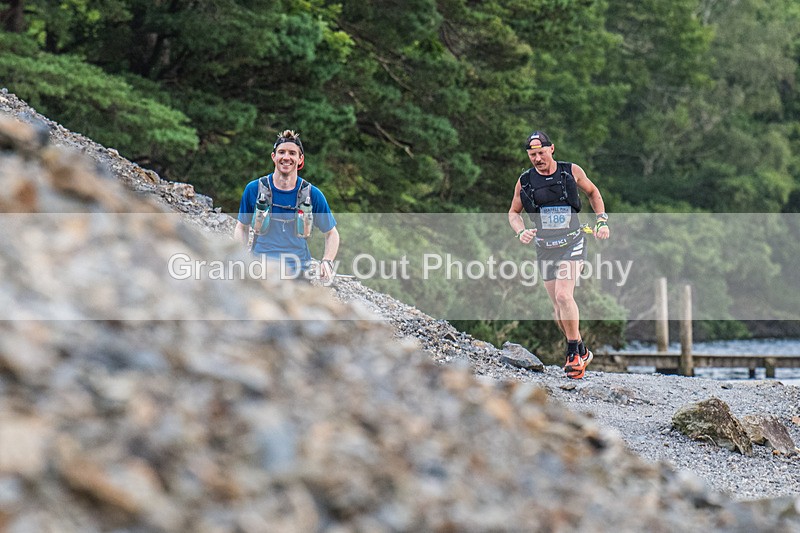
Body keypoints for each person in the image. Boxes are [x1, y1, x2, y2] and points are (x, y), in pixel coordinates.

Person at [507, 131, 610, 379]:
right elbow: (513, 212)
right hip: (544, 247)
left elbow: (593, 193)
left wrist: (602, 221)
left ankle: (573, 352)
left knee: (565, 295)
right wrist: (520, 231)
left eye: (541, 152)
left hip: (572, 242)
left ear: (551, 149)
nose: (538, 158)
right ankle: (583, 350)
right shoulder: (525, 181)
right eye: (533, 155)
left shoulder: (570, 171)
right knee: (557, 309)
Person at [234, 130, 339, 281]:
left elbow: (332, 234)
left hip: (299, 273)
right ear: (273, 157)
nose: (286, 157)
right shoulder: (254, 189)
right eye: (281, 152)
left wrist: (327, 261)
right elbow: (241, 227)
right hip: (260, 271)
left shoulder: (312, 194)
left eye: (292, 153)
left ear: (300, 159)